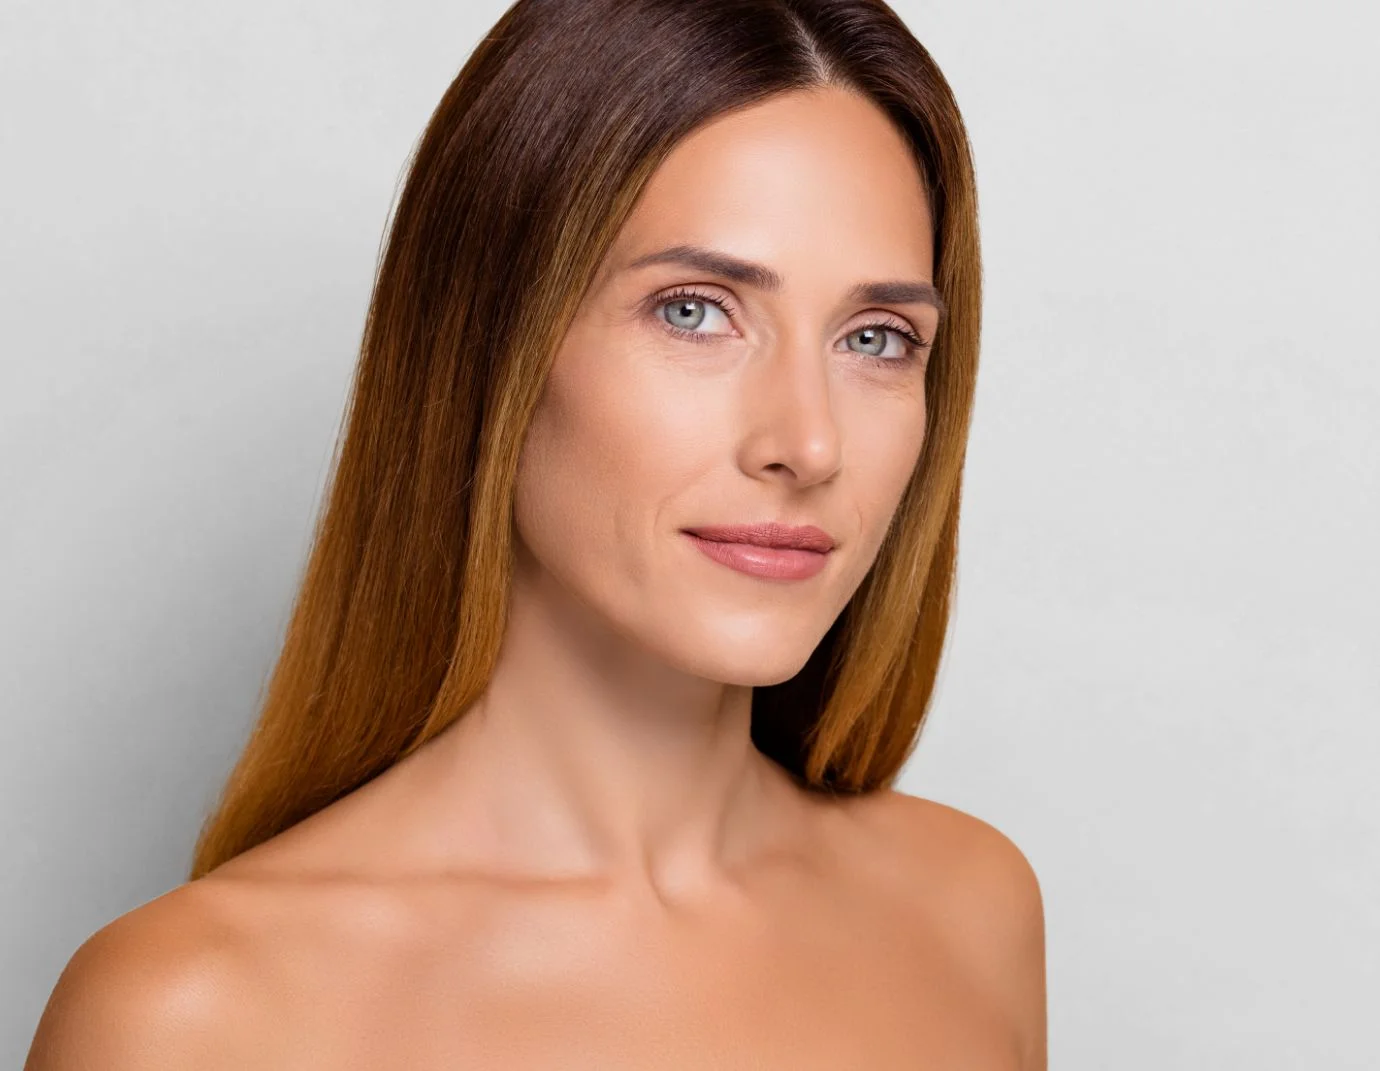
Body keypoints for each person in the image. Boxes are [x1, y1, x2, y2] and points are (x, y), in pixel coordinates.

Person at [26, 0, 1046, 1066]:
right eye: (694, 310)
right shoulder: (195, 1018)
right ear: (488, 341)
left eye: (876, 338)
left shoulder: (971, 912)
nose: (810, 442)